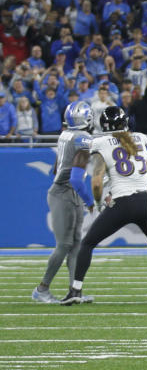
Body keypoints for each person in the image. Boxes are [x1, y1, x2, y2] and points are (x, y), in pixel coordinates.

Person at [61, 106, 147, 306]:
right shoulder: (140, 138)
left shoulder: (100, 142)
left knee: (88, 243)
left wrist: (98, 203)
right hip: (146, 202)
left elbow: (96, 181)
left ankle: (75, 290)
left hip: (122, 202)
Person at [32, 102, 96, 304]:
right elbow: (76, 179)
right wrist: (90, 201)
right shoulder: (82, 138)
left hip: (68, 191)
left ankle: (74, 291)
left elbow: (55, 167)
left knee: (76, 244)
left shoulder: (66, 134)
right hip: (65, 192)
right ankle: (41, 289)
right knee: (65, 244)